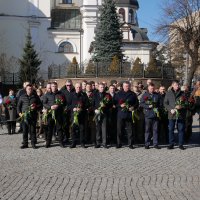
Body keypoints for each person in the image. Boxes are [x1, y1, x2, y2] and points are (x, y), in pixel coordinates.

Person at [115, 81, 139, 149]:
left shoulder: (133, 94)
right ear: (123, 86)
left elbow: (137, 103)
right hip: (120, 114)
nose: (127, 87)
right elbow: (114, 103)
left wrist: (133, 107)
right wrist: (120, 105)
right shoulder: (118, 94)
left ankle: (130, 144)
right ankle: (119, 143)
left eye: (128, 86)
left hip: (129, 114)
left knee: (130, 130)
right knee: (119, 130)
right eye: (126, 86)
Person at [17, 84, 42, 149]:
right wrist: (19, 113)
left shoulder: (35, 96)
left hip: (33, 116)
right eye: (29, 89)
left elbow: (40, 105)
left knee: (32, 130)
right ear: (26, 89)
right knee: (25, 130)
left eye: (31, 89)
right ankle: (25, 144)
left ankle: (33, 144)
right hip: (24, 116)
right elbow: (18, 106)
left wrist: (36, 106)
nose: (30, 90)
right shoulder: (22, 96)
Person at [164, 80, 187, 150]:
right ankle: (171, 144)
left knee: (181, 129)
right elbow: (165, 103)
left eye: (178, 85)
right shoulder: (168, 93)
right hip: (171, 114)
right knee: (171, 129)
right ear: (172, 85)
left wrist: (181, 106)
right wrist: (170, 109)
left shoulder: (182, 93)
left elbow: (186, 103)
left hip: (180, 114)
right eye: (176, 85)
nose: (177, 86)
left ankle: (181, 144)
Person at [43, 82, 66, 148]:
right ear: (51, 87)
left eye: (55, 86)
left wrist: (59, 105)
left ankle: (61, 142)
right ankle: (48, 142)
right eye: (53, 86)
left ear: (57, 86)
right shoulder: (47, 94)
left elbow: (64, 103)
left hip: (59, 114)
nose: (54, 87)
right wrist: (50, 107)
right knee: (50, 129)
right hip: (50, 115)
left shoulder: (61, 94)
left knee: (59, 129)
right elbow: (44, 103)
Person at [140, 83, 162, 149]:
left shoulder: (157, 95)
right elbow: (141, 104)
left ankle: (155, 144)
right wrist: (148, 106)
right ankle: (147, 144)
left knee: (155, 130)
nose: (152, 89)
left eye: (153, 88)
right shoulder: (145, 95)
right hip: (148, 115)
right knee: (147, 130)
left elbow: (161, 104)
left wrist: (158, 107)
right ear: (148, 88)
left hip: (155, 115)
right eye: (151, 88)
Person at [69, 83, 89, 148]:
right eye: (77, 87)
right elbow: (68, 105)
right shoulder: (71, 95)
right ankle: (73, 143)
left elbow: (87, 104)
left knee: (82, 129)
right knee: (73, 129)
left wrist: (81, 108)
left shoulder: (84, 95)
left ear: (81, 88)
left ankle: (82, 143)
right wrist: (73, 108)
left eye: (79, 87)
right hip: (73, 115)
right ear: (75, 88)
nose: (78, 88)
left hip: (82, 115)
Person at [93, 83, 113, 148]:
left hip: (104, 113)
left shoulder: (107, 95)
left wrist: (105, 105)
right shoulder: (95, 95)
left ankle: (104, 143)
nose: (102, 88)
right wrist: (95, 110)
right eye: (101, 87)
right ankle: (98, 142)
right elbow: (92, 104)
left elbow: (110, 104)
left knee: (104, 128)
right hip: (97, 113)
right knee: (98, 128)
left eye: (103, 87)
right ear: (98, 88)